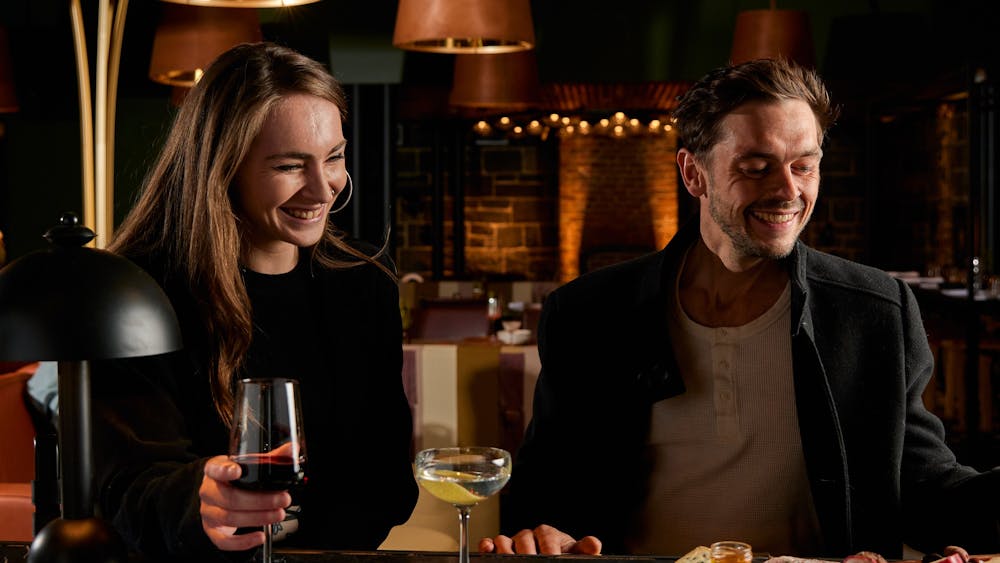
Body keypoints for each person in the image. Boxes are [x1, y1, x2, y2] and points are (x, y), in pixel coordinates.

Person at [482, 58, 1000, 559]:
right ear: (693, 173)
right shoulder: (588, 314)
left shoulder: (875, 310)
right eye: (756, 168)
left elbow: (924, 488)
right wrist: (539, 535)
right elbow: (540, 497)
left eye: (805, 166)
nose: (788, 191)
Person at [90, 42, 417, 561]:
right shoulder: (132, 293)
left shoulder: (364, 281)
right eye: (290, 166)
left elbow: (386, 480)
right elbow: (125, 488)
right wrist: (203, 505)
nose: (322, 188)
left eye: (333, 157)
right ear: (223, 167)